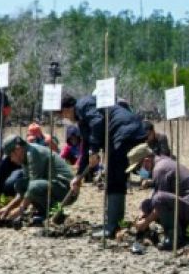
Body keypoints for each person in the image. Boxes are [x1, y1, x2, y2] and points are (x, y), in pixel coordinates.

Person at [61, 93, 147, 239]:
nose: (65, 118)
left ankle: (112, 227)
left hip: (123, 131)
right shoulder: (83, 120)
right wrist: (78, 176)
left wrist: (94, 150)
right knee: (117, 177)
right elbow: (85, 146)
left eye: (62, 114)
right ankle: (115, 223)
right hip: (129, 130)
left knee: (114, 177)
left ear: (67, 109)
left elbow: (97, 122)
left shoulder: (83, 105)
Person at [128, 143, 189, 251]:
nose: (138, 173)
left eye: (138, 169)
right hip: (187, 205)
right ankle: (175, 232)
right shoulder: (161, 163)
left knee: (159, 199)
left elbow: (159, 203)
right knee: (146, 204)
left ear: (146, 161)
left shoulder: (160, 169)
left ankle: (175, 238)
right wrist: (142, 215)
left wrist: (146, 222)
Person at [0, 135, 77, 226]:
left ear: (18, 149)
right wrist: (8, 208)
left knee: (34, 186)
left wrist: (20, 209)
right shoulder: (25, 157)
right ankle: (44, 212)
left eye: (11, 156)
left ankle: (56, 213)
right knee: (20, 185)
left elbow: (33, 187)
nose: (11, 160)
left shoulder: (33, 153)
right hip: (52, 185)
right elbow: (25, 191)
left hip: (66, 189)